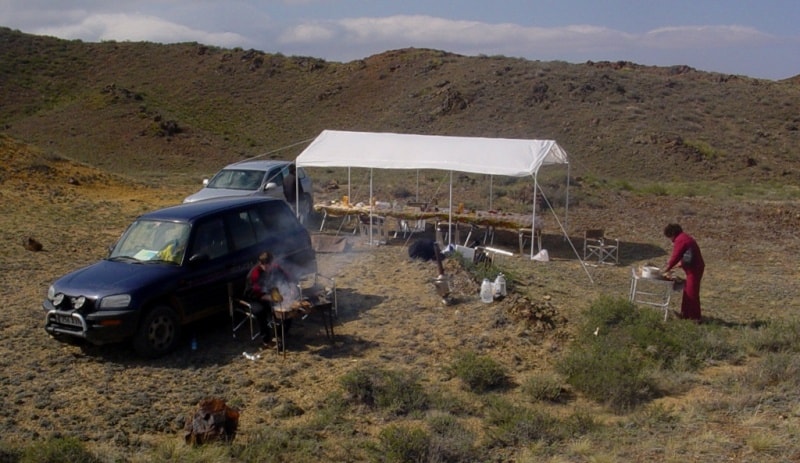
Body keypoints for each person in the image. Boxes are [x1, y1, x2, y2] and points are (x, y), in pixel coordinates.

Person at [245, 250, 298, 349]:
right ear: (261, 263)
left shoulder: (275, 267)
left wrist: (292, 287)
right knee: (261, 312)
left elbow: (288, 277)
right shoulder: (254, 273)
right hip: (256, 298)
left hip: (272, 295)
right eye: (266, 266)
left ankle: (280, 334)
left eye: (270, 265)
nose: (269, 268)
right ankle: (266, 340)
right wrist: (273, 298)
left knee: (288, 309)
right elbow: (256, 292)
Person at [662, 223, 705, 322]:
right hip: (693, 268)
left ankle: (695, 318)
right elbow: (688, 254)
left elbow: (675, 256)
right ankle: (685, 315)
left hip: (694, 269)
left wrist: (666, 269)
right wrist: (681, 263)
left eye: (670, 237)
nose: (671, 240)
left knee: (692, 293)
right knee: (687, 291)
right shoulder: (684, 237)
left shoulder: (680, 240)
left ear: (672, 233)